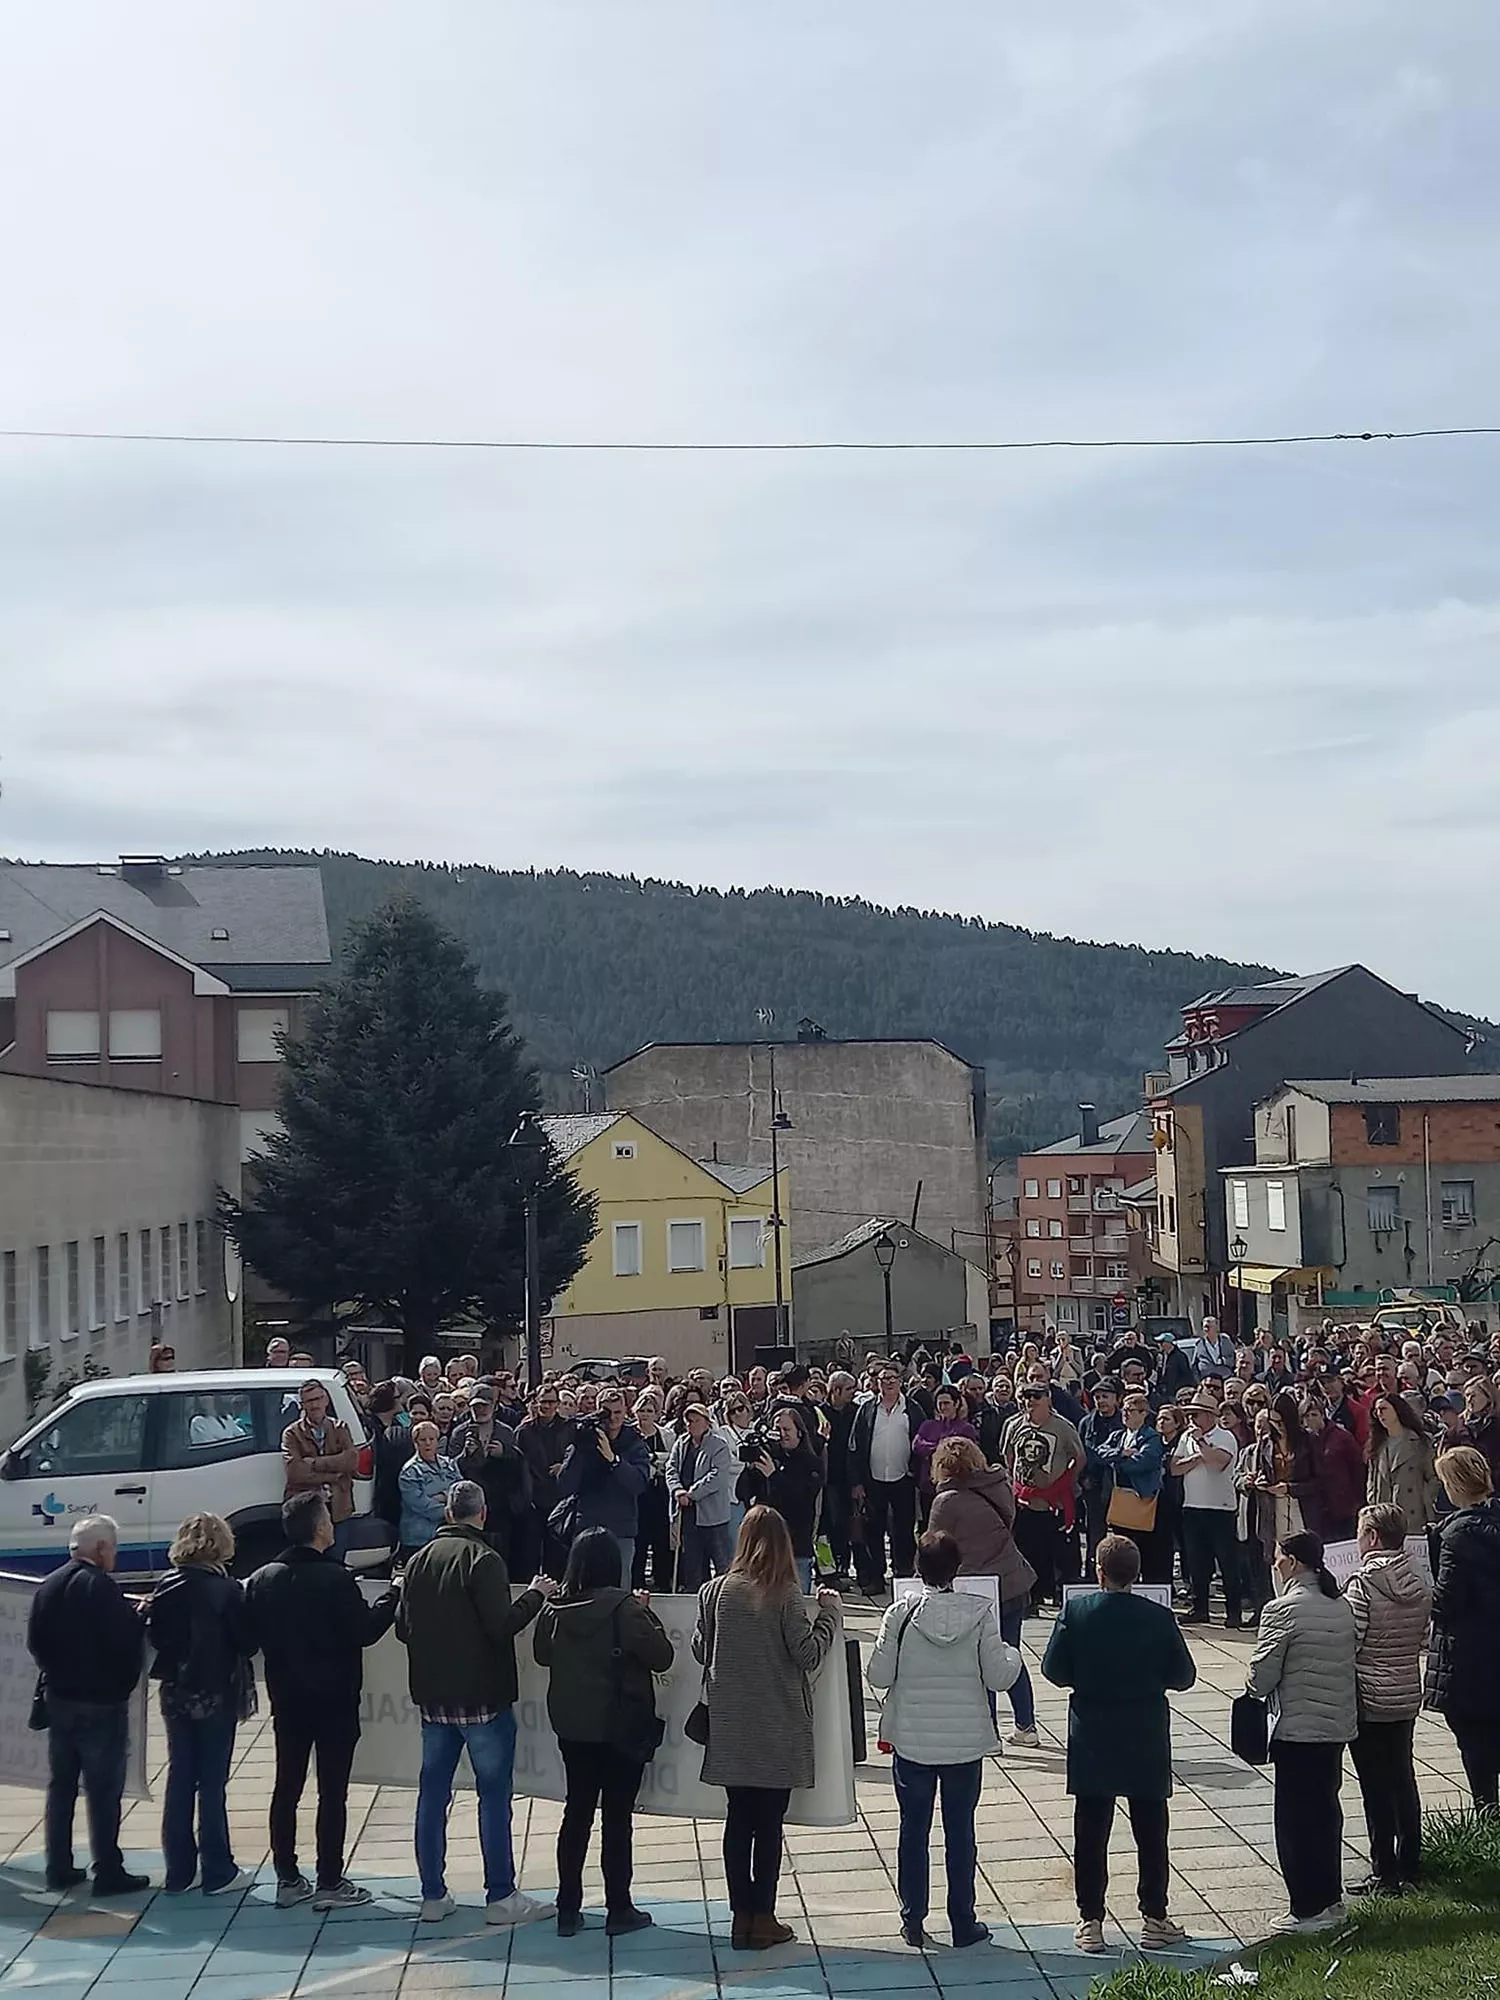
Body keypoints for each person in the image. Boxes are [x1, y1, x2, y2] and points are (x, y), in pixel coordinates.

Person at [397, 1479, 558, 1924]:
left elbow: (402, 1627)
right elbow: (502, 1625)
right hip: (482, 1697)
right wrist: (536, 1597)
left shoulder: (418, 1561)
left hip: (433, 1698)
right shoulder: (484, 1560)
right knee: (492, 1796)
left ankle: (432, 1893)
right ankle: (500, 1894)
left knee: (433, 1794)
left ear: (449, 1513)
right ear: (482, 1514)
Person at [693, 1507, 841, 1950]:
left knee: (737, 1822)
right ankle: (765, 1915)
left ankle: (740, 1916)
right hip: (777, 1726)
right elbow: (808, 1654)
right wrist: (830, 1615)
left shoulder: (714, 1590)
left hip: (731, 1725)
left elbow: (702, 1649)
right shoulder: (784, 1594)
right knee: (769, 1826)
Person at [1042, 1533, 1196, 1954]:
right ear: (1138, 1574)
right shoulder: (1158, 1617)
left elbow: (1053, 1669)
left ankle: (1090, 1920)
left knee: (1090, 1830)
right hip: (1143, 1727)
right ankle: (1154, 1916)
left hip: (1092, 1727)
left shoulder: (1076, 1612)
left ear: (1098, 1572)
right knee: (1150, 1828)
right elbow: (1184, 1676)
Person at [866, 1530, 1020, 1949]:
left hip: (913, 1741)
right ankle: (962, 1920)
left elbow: (877, 1675)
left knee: (913, 1832)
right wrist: (1014, 1653)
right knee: (960, 1833)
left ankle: (913, 1919)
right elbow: (1001, 1677)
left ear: (917, 1568)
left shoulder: (899, 1614)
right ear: (957, 1569)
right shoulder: (981, 1615)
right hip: (965, 1743)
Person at [245, 1492, 396, 1907]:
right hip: (334, 1698)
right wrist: (392, 1597)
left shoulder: (264, 1579)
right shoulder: (335, 1579)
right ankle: (330, 1878)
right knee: (333, 1791)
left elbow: (247, 1637)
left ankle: (287, 1877)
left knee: (286, 1787)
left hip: (287, 1698)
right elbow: (364, 1630)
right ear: (319, 1528)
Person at [532, 1528, 674, 1936]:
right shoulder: (624, 1609)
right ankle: (619, 1908)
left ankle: (567, 1908)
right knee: (617, 1820)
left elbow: (542, 1655)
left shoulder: (554, 1609)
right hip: (619, 1726)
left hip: (573, 1727)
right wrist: (647, 1613)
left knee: (576, 1814)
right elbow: (662, 1657)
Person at [27, 1515, 149, 1895]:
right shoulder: (100, 1588)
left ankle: (59, 1866)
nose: (114, 1555)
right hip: (100, 1704)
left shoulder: (49, 1584)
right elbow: (124, 1643)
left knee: (61, 1786)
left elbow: (35, 1641)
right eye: (112, 1548)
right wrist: (139, 1620)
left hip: (60, 1698)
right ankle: (108, 1870)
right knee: (103, 1789)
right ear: (100, 1548)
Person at [1246, 1531, 1357, 1934]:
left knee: (1294, 1821)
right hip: (1335, 1726)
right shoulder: (1341, 1605)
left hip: (1296, 1728)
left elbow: (1260, 1678)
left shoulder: (1282, 1610)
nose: (1273, 1564)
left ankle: (1305, 1907)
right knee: (1327, 1813)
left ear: (1292, 1562)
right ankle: (1330, 1899)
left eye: (1277, 1557)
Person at [147, 1513, 257, 1896]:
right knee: (212, 1783)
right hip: (215, 1692)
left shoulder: (166, 1586)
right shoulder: (225, 1590)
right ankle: (217, 1869)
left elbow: (157, 1637)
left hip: (175, 1691)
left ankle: (180, 1870)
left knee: (180, 1777)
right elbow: (246, 1641)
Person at [925, 1437, 1039, 1745]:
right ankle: (1026, 1725)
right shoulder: (998, 1485)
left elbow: (931, 1547)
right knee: (1008, 1654)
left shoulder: (946, 1501)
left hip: (974, 1588)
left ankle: (988, 1730)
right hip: (1011, 1581)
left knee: (978, 1660)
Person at [1344, 1502, 1431, 1896]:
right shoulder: (1417, 1577)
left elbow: (1353, 1639)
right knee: (1403, 1777)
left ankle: (1384, 1871)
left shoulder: (1363, 1584)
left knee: (1374, 1787)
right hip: (1405, 1689)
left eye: (1361, 1533)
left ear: (1373, 1537)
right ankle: (1411, 1862)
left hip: (1369, 1695)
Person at [1424, 1446, 1500, 1810]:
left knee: (1475, 1746)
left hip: (1469, 1655)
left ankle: (1488, 1819)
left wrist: (1423, 1588)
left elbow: (1447, 1600)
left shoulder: (1458, 1536)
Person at [1001, 1382, 1085, 1607]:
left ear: (1048, 1398)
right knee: (1027, 1549)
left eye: (1037, 1396)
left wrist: (1064, 1481)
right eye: (1027, 1396)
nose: (1031, 1401)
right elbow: (1008, 1456)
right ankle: (1032, 1597)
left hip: (1054, 1500)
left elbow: (1079, 1458)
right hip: (1025, 1500)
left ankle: (1059, 1594)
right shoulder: (1014, 1425)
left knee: (1060, 1550)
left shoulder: (1063, 1427)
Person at [556, 1385, 651, 1581]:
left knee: (619, 1589)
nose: (614, 1418)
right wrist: (580, 1449)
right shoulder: (585, 1441)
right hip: (587, 1527)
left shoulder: (635, 1443)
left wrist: (613, 1460)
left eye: (618, 1412)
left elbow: (639, 1484)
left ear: (626, 1411)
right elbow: (565, 1485)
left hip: (621, 1530)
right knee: (581, 1587)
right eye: (608, 1413)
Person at [848, 1364, 921, 1593]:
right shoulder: (867, 1409)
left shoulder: (913, 1409)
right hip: (873, 1480)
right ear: (876, 1383)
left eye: (892, 1378)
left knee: (903, 1530)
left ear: (900, 1381)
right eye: (883, 1379)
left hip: (903, 1479)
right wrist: (857, 1482)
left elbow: (922, 1443)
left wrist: (915, 1471)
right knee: (873, 1530)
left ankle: (903, 1576)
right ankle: (876, 1578)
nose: (888, 1382)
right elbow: (855, 1447)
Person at [736, 1408, 824, 1593]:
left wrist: (773, 1475)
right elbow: (741, 1493)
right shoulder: (769, 1458)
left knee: (797, 1601)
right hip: (764, 1545)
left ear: (799, 1432)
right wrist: (751, 1470)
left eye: (787, 1430)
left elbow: (802, 1499)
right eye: (778, 1430)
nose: (782, 1435)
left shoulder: (811, 1463)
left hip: (796, 1546)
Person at [1174, 1397, 1243, 1628]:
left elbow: (1220, 1463)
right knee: (1196, 1561)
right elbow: (1175, 1467)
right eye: (1190, 1414)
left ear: (1210, 1415)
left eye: (1197, 1414)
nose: (1192, 1419)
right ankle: (1199, 1607)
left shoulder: (1225, 1437)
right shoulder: (1186, 1437)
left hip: (1220, 1508)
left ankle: (1233, 1611)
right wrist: (1198, 1457)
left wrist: (1202, 1445)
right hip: (1193, 1506)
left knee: (1227, 1561)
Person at [450, 1387, 532, 1573]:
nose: (480, 1410)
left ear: (494, 1407)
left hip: (500, 1507)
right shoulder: (460, 1433)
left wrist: (504, 1454)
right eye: (476, 1406)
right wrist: (466, 1455)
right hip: (469, 1504)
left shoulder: (506, 1432)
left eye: (484, 1406)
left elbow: (517, 1470)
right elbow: (450, 1468)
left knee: (498, 1557)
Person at [1094, 1390, 1170, 1585]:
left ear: (1144, 1413)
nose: (1126, 1414)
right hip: (1120, 1500)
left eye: (1132, 1410)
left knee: (1147, 1549)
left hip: (1142, 1500)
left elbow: (1143, 1462)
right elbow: (1100, 1452)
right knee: (1123, 1544)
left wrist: (1117, 1462)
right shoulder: (1118, 1435)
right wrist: (1121, 1453)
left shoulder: (1151, 1437)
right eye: (1124, 1410)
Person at [281, 1378, 359, 1560]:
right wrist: (333, 1475)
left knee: (336, 1561)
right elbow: (294, 1472)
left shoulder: (341, 1428)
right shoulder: (291, 1433)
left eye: (318, 1399)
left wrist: (314, 1463)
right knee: (307, 1562)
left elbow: (351, 1460)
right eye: (309, 1401)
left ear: (326, 1401)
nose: (315, 1405)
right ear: (302, 1405)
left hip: (338, 1509)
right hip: (308, 1513)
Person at [666, 1404, 736, 1589]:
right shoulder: (681, 1443)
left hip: (713, 1517)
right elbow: (671, 1469)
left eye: (697, 1420)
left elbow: (718, 1476)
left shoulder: (719, 1445)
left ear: (706, 1422)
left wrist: (692, 1493)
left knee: (722, 1564)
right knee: (692, 1566)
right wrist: (677, 1490)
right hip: (687, 1516)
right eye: (689, 1421)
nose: (692, 1424)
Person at [1367, 1393, 1438, 1533]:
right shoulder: (1377, 1446)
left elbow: (1433, 1477)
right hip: (1386, 1517)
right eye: (1376, 1411)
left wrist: (1426, 1501)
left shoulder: (1420, 1441)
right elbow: (1372, 1482)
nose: (1379, 1414)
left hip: (1415, 1515)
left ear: (1397, 1409)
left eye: (1383, 1409)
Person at [1304, 1399, 1365, 1546]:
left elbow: (1357, 1468)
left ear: (1322, 1415)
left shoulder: (1341, 1437)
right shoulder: (1304, 1441)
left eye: (1314, 1414)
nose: (1310, 1419)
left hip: (1344, 1506)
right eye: (1306, 1416)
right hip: (1317, 1508)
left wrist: (1358, 1501)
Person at [910, 1387, 978, 1516]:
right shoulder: (928, 1425)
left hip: (956, 1487)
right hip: (929, 1486)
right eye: (939, 1403)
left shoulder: (966, 1429)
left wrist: (934, 1449)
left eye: (946, 1403)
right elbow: (917, 1446)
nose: (943, 1407)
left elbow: (966, 1454)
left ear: (956, 1404)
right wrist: (943, 1447)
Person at [819, 1373, 860, 1585]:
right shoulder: (820, 1413)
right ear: (836, 1390)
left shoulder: (856, 1413)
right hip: (827, 1480)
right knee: (827, 1527)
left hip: (849, 1479)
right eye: (850, 1389)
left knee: (847, 1526)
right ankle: (826, 1570)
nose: (854, 1393)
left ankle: (844, 1567)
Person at [1078, 1379, 1125, 1563]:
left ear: (1116, 1399)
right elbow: (1081, 1452)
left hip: (1119, 1483)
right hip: (1094, 1484)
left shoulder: (1123, 1420)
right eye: (1097, 1397)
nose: (1101, 1400)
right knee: (1095, 1531)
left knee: (1122, 1530)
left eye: (1105, 1396)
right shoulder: (1086, 1423)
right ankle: (1092, 1570)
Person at [398, 1422, 461, 1556]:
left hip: (447, 1535)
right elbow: (419, 1503)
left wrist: (443, 1496)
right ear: (415, 1443)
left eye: (431, 1439)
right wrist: (449, 1511)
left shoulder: (449, 1464)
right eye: (423, 1440)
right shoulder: (409, 1471)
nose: (427, 1443)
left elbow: (460, 1491)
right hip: (419, 1538)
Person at [369, 1381, 414, 1536]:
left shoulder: (398, 1422)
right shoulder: (371, 1428)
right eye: (398, 1397)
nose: (402, 1400)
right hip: (381, 1495)